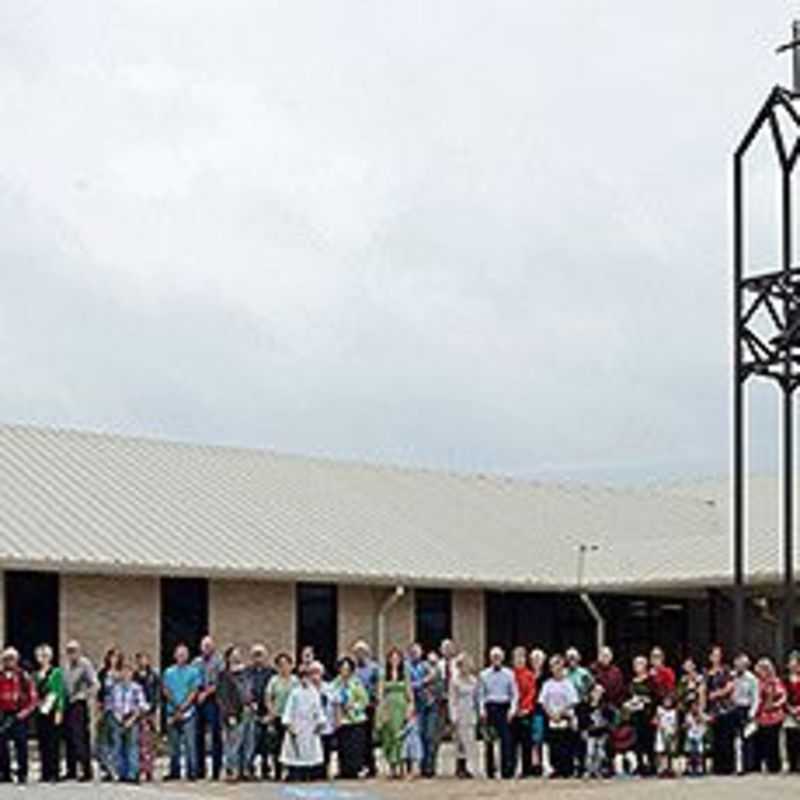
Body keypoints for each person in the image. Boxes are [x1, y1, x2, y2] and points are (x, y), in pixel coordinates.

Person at [163, 643, 201, 781]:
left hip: (189, 711)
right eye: (179, 654)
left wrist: (184, 706)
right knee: (174, 745)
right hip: (172, 711)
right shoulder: (168, 672)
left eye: (184, 654)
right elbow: (166, 690)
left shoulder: (194, 671)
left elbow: (194, 690)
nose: (181, 657)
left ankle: (192, 772)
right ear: (175, 656)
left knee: (191, 743)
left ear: (188, 656)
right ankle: (174, 771)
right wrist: (176, 706)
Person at [478, 646, 518, 780]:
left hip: (504, 707)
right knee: (489, 741)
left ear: (502, 658)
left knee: (506, 741)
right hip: (490, 707)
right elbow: (481, 695)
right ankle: (490, 771)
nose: (496, 659)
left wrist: (512, 710)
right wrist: (482, 711)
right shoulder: (484, 674)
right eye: (494, 657)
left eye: (498, 657)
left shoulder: (509, 674)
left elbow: (514, 694)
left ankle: (507, 771)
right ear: (490, 658)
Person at [217, 645, 255, 782]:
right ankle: (231, 770)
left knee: (248, 742)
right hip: (234, 713)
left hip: (248, 711)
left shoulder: (246, 672)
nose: (237, 656)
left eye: (239, 654)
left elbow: (251, 689)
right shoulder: (224, 675)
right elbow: (223, 697)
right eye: (234, 654)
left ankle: (244, 770)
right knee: (233, 743)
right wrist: (229, 714)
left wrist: (253, 702)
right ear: (228, 657)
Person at [281, 664, 324, 781]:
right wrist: (288, 724)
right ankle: (294, 773)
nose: (305, 679)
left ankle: (308, 773)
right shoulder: (294, 693)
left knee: (310, 751)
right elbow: (289, 709)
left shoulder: (314, 692)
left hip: (310, 726)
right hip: (297, 724)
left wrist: (320, 722)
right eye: (302, 677)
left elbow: (318, 708)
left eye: (307, 676)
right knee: (295, 751)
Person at [0, 647, 37, 784]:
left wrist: (24, 713)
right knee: (1, 745)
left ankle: (22, 774)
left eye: (11, 658)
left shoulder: (23, 676)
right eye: (6, 659)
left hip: (19, 714)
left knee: (21, 745)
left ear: (16, 660)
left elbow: (33, 698)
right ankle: (5, 773)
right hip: (3, 714)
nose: (8, 662)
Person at [62, 640, 97, 782]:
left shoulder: (85, 664)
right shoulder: (66, 666)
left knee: (80, 738)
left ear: (79, 651)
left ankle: (86, 770)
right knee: (68, 737)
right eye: (69, 650)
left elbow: (95, 684)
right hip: (67, 704)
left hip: (79, 705)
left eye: (74, 650)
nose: (71, 653)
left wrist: (82, 695)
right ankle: (71, 770)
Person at [538, 653, 578, 779]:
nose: (556, 669)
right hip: (551, 717)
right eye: (553, 666)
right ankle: (555, 768)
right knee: (553, 745)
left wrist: (561, 713)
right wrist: (551, 714)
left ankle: (567, 769)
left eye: (558, 666)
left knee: (565, 744)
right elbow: (542, 702)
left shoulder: (568, 684)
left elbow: (573, 702)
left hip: (565, 717)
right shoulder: (547, 684)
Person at [377, 646, 413, 779]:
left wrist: (410, 709)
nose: (394, 660)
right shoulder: (383, 674)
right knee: (389, 737)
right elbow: (380, 694)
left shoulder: (405, 673)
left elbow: (409, 693)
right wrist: (382, 711)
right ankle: (392, 767)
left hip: (401, 706)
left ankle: (401, 767)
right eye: (392, 658)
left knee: (400, 737)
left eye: (397, 658)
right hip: (388, 706)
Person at [109, 660, 148, 783]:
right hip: (118, 719)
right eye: (123, 672)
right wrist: (117, 717)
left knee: (132, 746)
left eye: (128, 672)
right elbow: (111, 704)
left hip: (132, 718)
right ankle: (121, 773)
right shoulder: (115, 688)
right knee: (118, 747)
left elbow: (142, 705)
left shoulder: (137, 688)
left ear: (132, 674)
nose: (126, 674)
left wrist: (132, 719)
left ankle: (133, 773)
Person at [332, 655, 369, 779]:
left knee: (355, 747)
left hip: (356, 718)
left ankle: (354, 770)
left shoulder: (357, 683)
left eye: (347, 669)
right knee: (343, 746)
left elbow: (364, 700)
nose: (345, 672)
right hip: (341, 719)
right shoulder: (335, 683)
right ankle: (343, 770)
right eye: (342, 669)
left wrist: (353, 706)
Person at [194, 635, 224, 781]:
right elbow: (193, 680)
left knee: (215, 735)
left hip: (214, 700)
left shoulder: (219, 662)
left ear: (213, 647)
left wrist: (205, 693)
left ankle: (216, 771)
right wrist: (198, 694)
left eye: (209, 646)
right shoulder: (196, 662)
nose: (207, 648)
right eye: (204, 646)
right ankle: (200, 770)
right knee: (198, 735)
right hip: (198, 700)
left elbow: (220, 682)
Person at [33, 644, 65, 784]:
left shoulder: (56, 672)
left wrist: (59, 710)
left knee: (53, 742)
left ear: (50, 657)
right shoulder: (36, 674)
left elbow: (60, 692)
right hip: (41, 710)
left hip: (53, 710)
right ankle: (45, 772)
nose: (42, 659)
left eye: (45, 656)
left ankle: (54, 773)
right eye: (40, 656)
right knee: (43, 741)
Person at [265, 652, 299, 781]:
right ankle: (278, 772)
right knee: (277, 745)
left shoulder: (295, 681)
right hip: (278, 716)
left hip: (292, 718)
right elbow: (268, 697)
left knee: (291, 745)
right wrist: (271, 711)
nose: (284, 667)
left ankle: (291, 772)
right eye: (281, 665)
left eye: (286, 664)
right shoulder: (274, 680)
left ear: (291, 665)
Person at [245, 643, 274, 780]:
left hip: (268, 710)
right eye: (255, 655)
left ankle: (265, 768)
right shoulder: (247, 672)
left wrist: (270, 711)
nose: (258, 658)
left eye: (260, 655)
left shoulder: (271, 672)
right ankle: (250, 768)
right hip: (252, 711)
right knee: (252, 741)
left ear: (265, 656)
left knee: (266, 742)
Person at [706, 646, 736, 775]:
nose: (716, 657)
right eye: (714, 655)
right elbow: (703, 690)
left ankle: (729, 766)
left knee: (727, 738)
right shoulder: (707, 673)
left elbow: (730, 686)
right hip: (714, 710)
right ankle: (718, 766)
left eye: (718, 655)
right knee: (716, 738)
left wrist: (717, 694)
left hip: (727, 708)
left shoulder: (726, 670)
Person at [753, 657, 786, 774]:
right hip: (761, 716)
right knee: (761, 742)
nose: (761, 672)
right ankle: (760, 765)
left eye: (763, 669)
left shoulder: (775, 681)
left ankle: (774, 766)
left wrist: (776, 704)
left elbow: (783, 696)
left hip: (774, 716)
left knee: (773, 742)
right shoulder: (757, 682)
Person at [449, 653, 479, 779]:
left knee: (469, 740)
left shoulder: (474, 680)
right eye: (462, 665)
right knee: (459, 740)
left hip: (470, 710)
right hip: (460, 710)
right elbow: (452, 699)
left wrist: (478, 712)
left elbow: (477, 698)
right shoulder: (454, 680)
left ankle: (467, 766)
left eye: (467, 665)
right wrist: (453, 715)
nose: (465, 668)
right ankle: (459, 767)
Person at [353, 640, 380, 778]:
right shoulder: (353, 669)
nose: (360, 655)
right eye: (357, 652)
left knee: (368, 737)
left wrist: (375, 698)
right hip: (355, 707)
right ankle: (359, 765)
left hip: (368, 706)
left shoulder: (374, 668)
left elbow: (378, 685)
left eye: (362, 652)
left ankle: (371, 766)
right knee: (358, 738)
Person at [565, 647, 594, 777]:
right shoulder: (564, 673)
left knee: (582, 738)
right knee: (569, 738)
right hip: (567, 707)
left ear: (578, 659)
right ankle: (570, 766)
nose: (572, 660)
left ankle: (582, 766)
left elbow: (592, 689)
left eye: (574, 657)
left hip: (581, 707)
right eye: (569, 657)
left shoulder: (584, 673)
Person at [625, 655, 655, 777]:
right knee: (637, 741)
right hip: (636, 714)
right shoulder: (632, 682)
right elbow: (628, 695)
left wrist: (645, 700)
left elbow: (655, 696)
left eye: (640, 664)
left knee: (649, 740)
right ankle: (640, 765)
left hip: (648, 714)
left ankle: (652, 765)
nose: (637, 667)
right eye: (635, 664)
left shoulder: (650, 680)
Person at [133, 652, 160, 782]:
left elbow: (156, 693)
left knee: (150, 742)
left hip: (150, 712)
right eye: (140, 660)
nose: (143, 662)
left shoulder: (153, 676)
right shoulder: (134, 676)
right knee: (139, 742)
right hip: (138, 712)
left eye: (145, 659)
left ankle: (149, 770)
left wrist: (152, 708)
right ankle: (139, 769)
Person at [417, 651, 445, 778]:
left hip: (434, 707)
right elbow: (415, 687)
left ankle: (430, 767)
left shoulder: (439, 674)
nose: (431, 665)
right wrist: (425, 681)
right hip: (421, 708)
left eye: (434, 662)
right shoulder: (420, 672)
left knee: (431, 736)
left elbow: (441, 690)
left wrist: (434, 696)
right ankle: (423, 766)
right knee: (422, 735)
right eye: (430, 662)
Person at [96, 646, 123, 781]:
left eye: (117, 657)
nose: (114, 660)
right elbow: (99, 693)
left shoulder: (122, 673)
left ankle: (116, 768)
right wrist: (99, 708)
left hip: (118, 710)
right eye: (112, 657)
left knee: (116, 739)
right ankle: (106, 767)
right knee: (102, 740)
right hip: (105, 709)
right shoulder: (103, 673)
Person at [511, 646, 536, 778]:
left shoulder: (529, 675)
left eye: (522, 657)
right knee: (512, 743)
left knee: (526, 743)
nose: (519, 660)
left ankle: (527, 770)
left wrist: (524, 708)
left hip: (526, 712)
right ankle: (511, 768)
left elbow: (531, 692)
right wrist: (514, 709)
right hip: (512, 712)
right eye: (516, 658)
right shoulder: (509, 674)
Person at [731, 653, 758, 774]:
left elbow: (756, 698)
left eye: (742, 664)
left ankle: (747, 766)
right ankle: (735, 765)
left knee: (746, 739)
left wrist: (752, 713)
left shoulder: (752, 679)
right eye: (737, 663)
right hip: (733, 708)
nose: (739, 666)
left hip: (746, 709)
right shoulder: (732, 676)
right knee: (734, 739)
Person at [309, 661, 336, 780]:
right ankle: (313, 771)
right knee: (313, 748)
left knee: (326, 748)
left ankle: (324, 771)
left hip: (326, 723)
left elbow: (335, 704)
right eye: (313, 672)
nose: (315, 675)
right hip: (311, 725)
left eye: (317, 672)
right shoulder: (306, 688)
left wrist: (336, 719)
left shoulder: (329, 687)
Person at [584, 684, 615, 779]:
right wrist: (585, 729)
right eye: (596, 691)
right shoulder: (586, 706)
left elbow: (610, 719)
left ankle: (597, 770)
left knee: (600, 752)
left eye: (600, 692)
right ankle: (589, 770)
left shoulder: (606, 706)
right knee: (590, 752)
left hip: (602, 732)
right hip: (590, 732)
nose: (598, 694)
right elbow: (583, 719)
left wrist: (606, 727)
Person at [529, 648, 548, 777]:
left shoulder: (547, 676)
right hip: (528, 709)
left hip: (541, 710)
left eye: (539, 659)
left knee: (539, 739)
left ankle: (539, 764)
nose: (536, 661)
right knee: (530, 740)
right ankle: (531, 764)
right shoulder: (528, 674)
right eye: (534, 659)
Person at [654, 693, 679, 778]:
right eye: (666, 701)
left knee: (670, 752)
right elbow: (655, 720)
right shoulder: (659, 710)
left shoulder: (673, 712)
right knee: (661, 751)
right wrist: (657, 723)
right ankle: (661, 769)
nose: (667, 702)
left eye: (669, 701)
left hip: (670, 732)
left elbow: (675, 723)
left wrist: (675, 732)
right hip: (661, 732)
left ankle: (670, 769)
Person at [683, 699, 708, 777]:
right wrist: (686, 725)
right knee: (690, 754)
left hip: (699, 736)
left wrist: (701, 719)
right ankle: (690, 769)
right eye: (692, 707)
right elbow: (685, 725)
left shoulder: (702, 715)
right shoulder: (688, 715)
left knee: (699, 754)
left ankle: (700, 769)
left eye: (696, 706)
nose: (694, 708)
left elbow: (710, 720)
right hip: (691, 737)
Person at [785, 651, 800, 773]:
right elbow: (782, 694)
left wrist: (798, 709)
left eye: (795, 663)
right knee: (790, 738)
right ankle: (792, 764)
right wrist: (789, 708)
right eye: (790, 663)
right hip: (789, 711)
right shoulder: (785, 679)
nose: (792, 666)